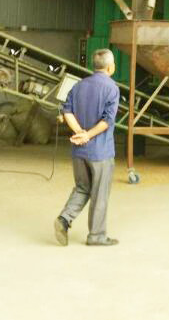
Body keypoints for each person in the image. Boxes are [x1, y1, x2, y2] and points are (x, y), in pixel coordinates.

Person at [54, 48, 120, 247]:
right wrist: (88, 135)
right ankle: (97, 236)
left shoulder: (79, 85)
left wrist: (79, 133)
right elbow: (107, 120)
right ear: (111, 67)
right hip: (100, 152)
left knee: (83, 188)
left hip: (79, 150)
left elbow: (67, 111)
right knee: (100, 193)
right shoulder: (111, 88)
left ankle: (64, 219)